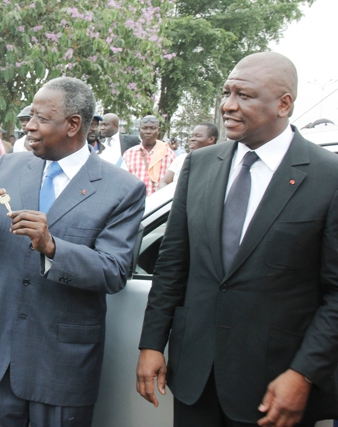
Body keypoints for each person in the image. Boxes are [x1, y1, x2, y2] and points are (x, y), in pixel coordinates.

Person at [136, 52, 338, 427]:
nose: (228, 105)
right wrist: (151, 344)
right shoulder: (199, 165)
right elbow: (172, 265)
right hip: (195, 377)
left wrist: (304, 373)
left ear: (283, 104)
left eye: (243, 96)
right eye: (226, 92)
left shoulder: (329, 178)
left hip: (274, 388)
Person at [0, 76, 146, 426]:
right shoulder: (10, 165)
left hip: (60, 367)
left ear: (73, 125)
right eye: (29, 116)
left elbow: (114, 271)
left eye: (41, 118)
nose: (29, 125)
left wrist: (53, 247)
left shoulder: (122, 189)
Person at [123, 115, 176, 195]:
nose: (148, 131)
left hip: (159, 205)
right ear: (139, 130)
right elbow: (124, 183)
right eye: (144, 128)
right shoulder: (128, 154)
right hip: (135, 203)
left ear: (158, 130)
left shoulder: (169, 154)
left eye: (152, 128)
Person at [160, 122, 218, 187]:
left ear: (211, 139)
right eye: (192, 136)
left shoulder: (218, 163)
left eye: (198, 136)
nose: (192, 139)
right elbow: (165, 182)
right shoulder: (181, 158)